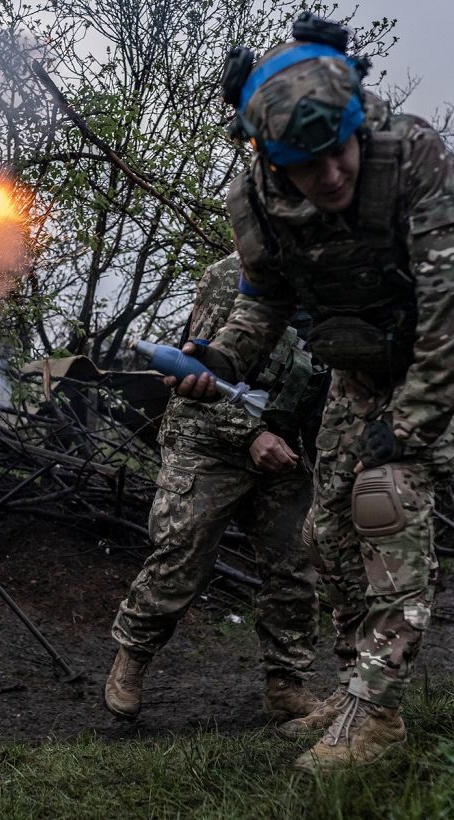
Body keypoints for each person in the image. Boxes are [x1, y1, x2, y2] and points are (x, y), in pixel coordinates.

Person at [170, 14, 454, 771]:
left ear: (356, 123)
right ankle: (355, 688)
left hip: (432, 361)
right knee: (327, 533)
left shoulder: (414, 159)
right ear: (272, 160)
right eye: (306, 165)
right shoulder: (256, 202)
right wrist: (219, 359)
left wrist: (409, 427)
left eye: (338, 152)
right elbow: (264, 301)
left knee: (385, 500)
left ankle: (377, 717)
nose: (332, 176)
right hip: (355, 370)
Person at [105, 253, 327, 725]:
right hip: (207, 439)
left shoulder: (338, 286)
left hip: (282, 446)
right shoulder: (234, 276)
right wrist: (250, 436)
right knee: (181, 554)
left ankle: (286, 686)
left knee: (296, 564)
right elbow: (201, 372)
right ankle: (132, 658)